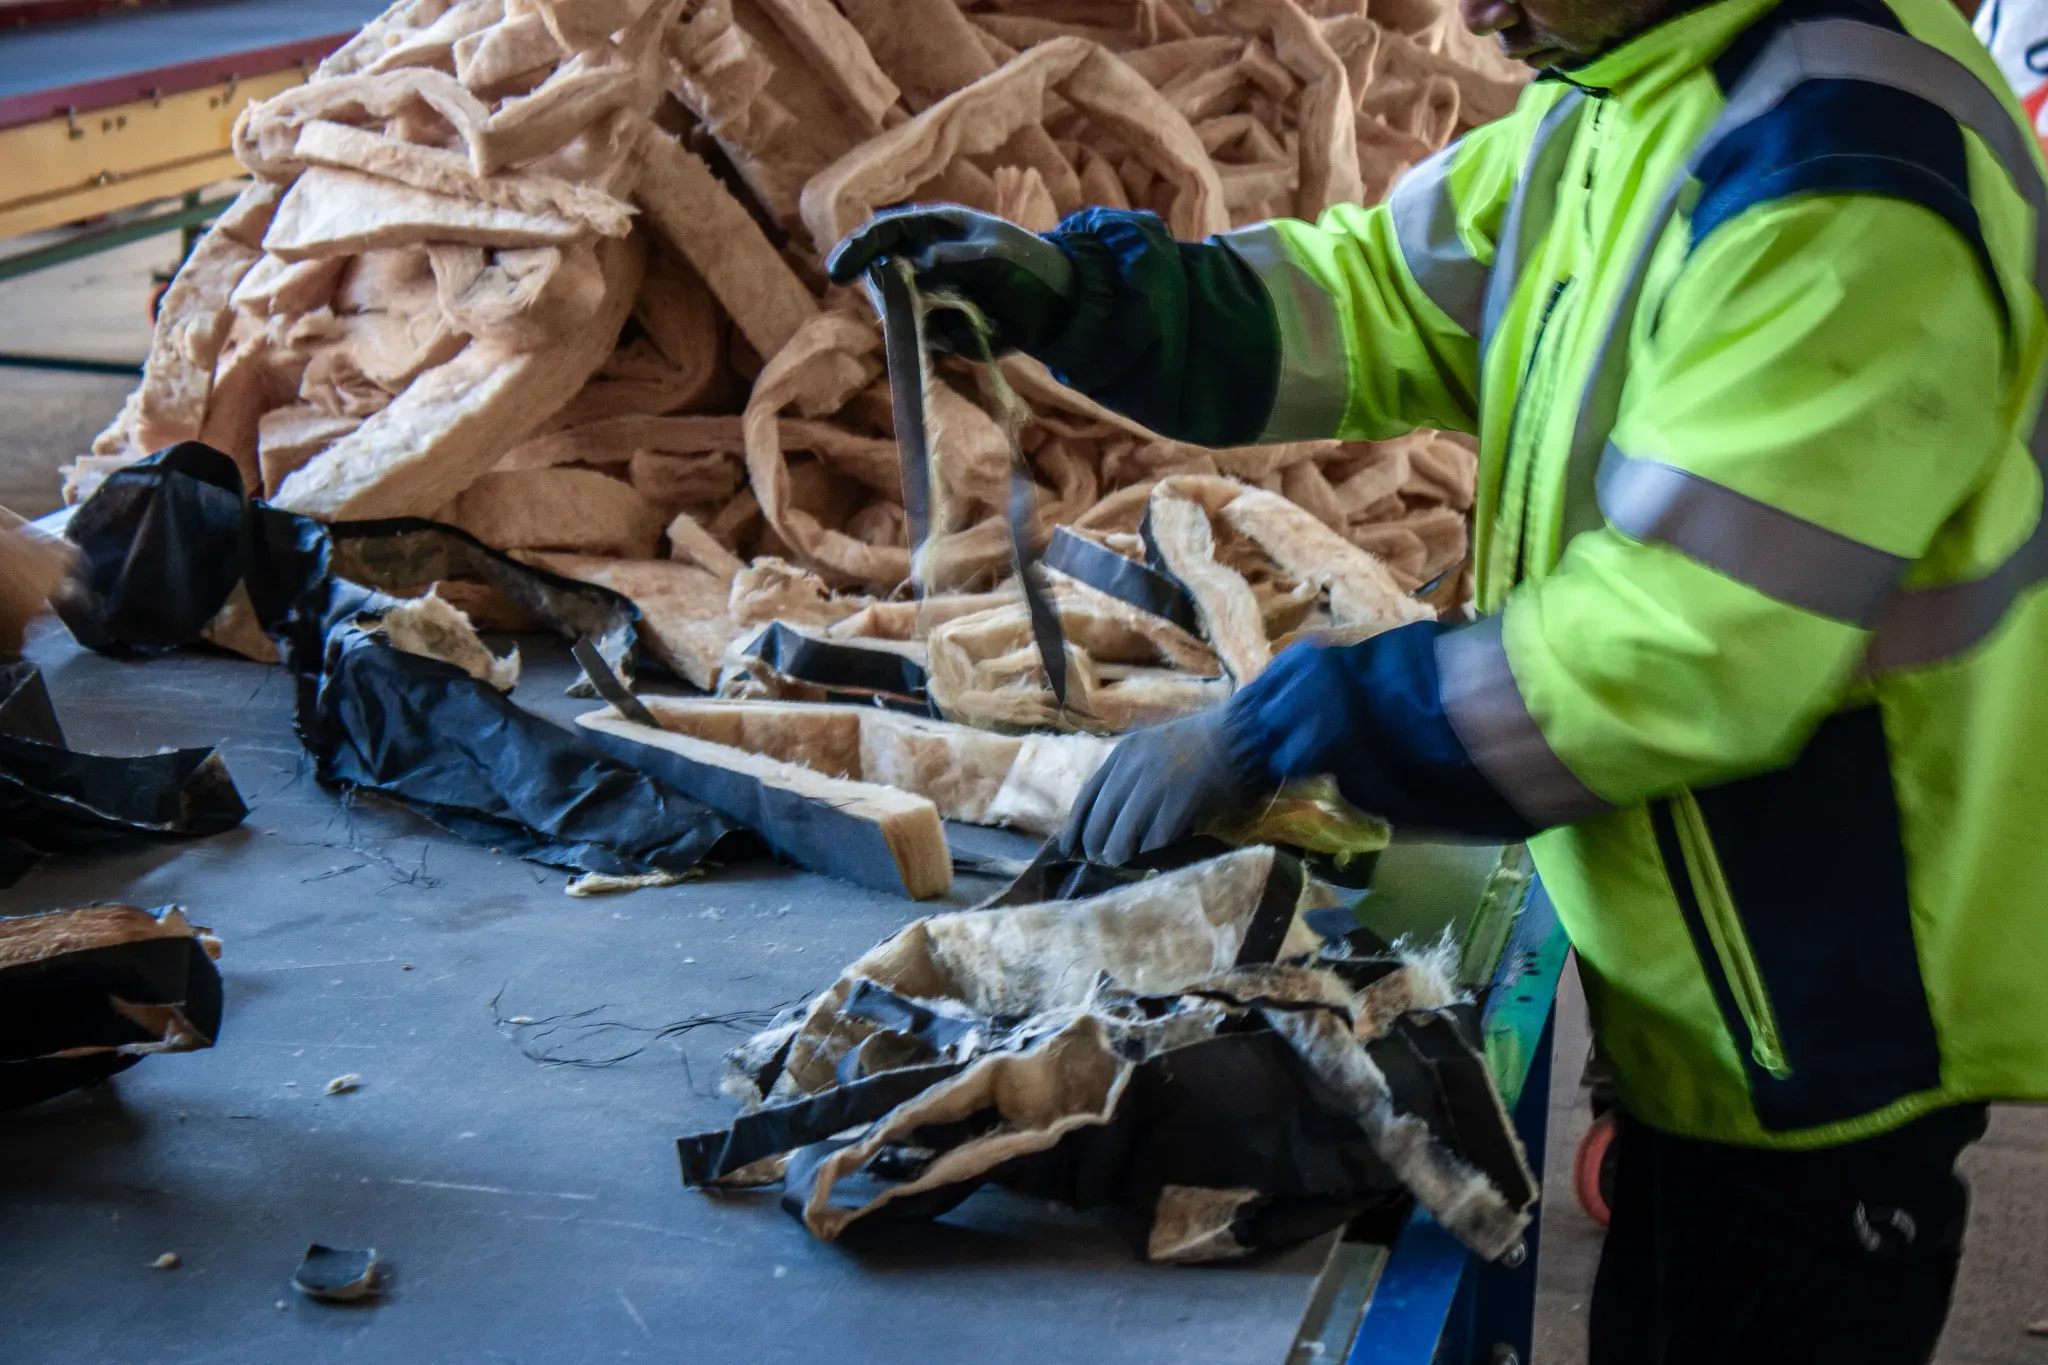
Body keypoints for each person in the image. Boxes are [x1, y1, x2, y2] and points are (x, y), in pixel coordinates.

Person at [827, 0, 2048, 1359]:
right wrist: (1096, 302)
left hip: (1829, 974)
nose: (1474, 13)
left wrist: (1297, 723)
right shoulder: (1633, 90)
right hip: (1709, 951)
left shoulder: (1841, 174)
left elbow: (1686, 647)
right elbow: (1379, 300)